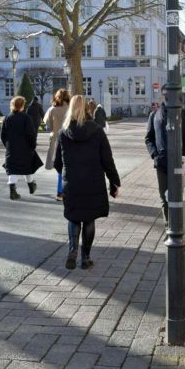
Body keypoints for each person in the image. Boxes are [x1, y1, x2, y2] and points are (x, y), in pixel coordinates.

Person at [54, 95, 120, 270]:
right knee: (89, 219)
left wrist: (66, 172)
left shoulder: (63, 133)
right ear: (87, 108)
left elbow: (57, 163)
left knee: (74, 217)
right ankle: (86, 258)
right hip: (93, 182)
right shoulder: (97, 131)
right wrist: (114, 182)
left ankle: (72, 251)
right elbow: (107, 160)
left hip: (72, 183)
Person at [145, 85, 185, 226]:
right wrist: (155, 155)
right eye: (164, 94)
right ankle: (169, 227)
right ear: (162, 96)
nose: (167, 97)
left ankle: (177, 226)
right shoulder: (154, 115)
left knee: (177, 196)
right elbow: (149, 138)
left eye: (170, 94)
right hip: (161, 164)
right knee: (164, 198)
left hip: (179, 163)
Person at [0, 96, 43, 200]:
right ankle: (31, 185)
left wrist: (8, 146)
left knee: (12, 169)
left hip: (12, 148)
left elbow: (2, 135)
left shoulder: (7, 118)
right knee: (27, 167)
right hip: (25, 148)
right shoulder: (26, 118)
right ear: (22, 106)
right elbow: (31, 135)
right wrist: (32, 146)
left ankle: (13, 192)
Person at [43, 88, 71, 201]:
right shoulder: (71, 109)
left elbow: (47, 125)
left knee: (59, 167)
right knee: (70, 166)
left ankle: (59, 193)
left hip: (56, 140)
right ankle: (69, 191)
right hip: (69, 139)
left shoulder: (52, 110)